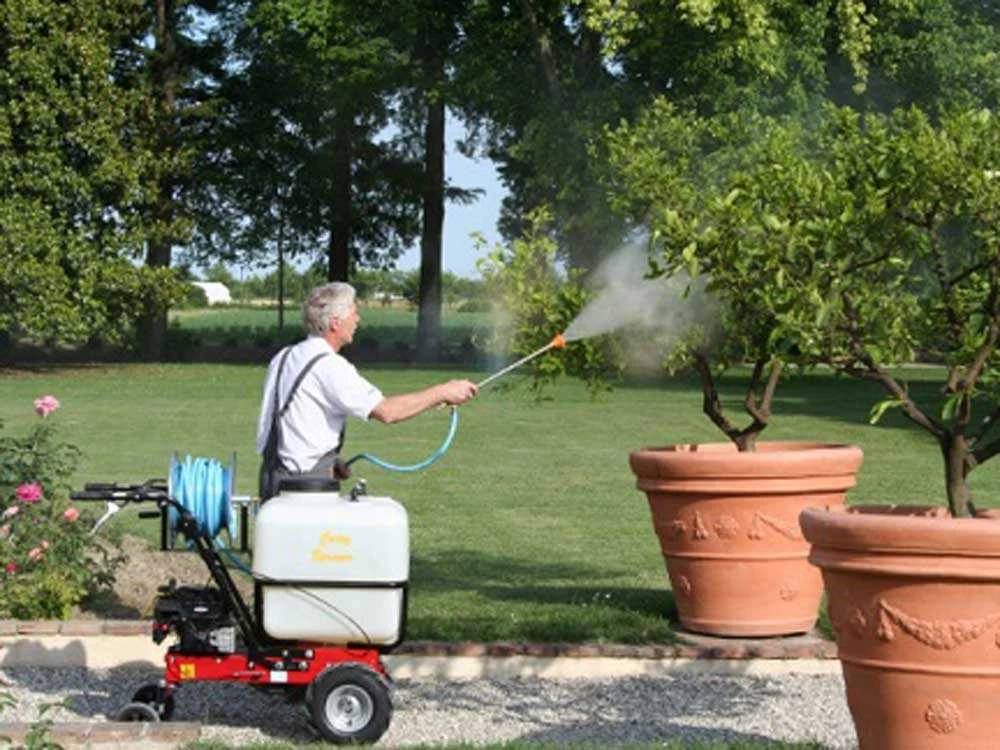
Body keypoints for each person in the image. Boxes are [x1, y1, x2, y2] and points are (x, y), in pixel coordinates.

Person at [256, 281, 478, 493]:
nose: (358, 320)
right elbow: (387, 412)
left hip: (272, 479)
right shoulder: (329, 366)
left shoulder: (284, 356)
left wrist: (327, 464)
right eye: (353, 314)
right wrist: (443, 391)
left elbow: (293, 425)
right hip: (304, 489)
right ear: (335, 322)